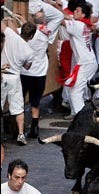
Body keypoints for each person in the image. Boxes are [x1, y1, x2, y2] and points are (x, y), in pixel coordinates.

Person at [59, 2, 98, 119]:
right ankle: (78, 114)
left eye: (77, 11)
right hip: (88, 62)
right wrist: (55, 6)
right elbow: (66, 15)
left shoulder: (77, 25)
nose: (74, 12)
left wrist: (49, 10)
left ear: (83, 15)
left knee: (75, 90)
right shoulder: (82, 23)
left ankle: (82, 118)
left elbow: (61, 19)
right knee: (72, 88)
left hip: (85, 63)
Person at [1, 18, 34, 146]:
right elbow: (27, 67)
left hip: (2, 74)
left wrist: (8, 20)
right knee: (18, 108)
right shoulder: (29, 51)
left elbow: (2, 26)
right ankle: (20, 134)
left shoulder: (10, 35)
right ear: (31, 36)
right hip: (14, 76)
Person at [20, 11, 51, 139]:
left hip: (24, 73)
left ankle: (19, 128)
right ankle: (35, 127)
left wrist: (22, 21)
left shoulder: (24, 35)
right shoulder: (45, 35)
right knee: (35, 102)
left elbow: (19, 30)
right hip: (39, 73)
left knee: (20, 100)